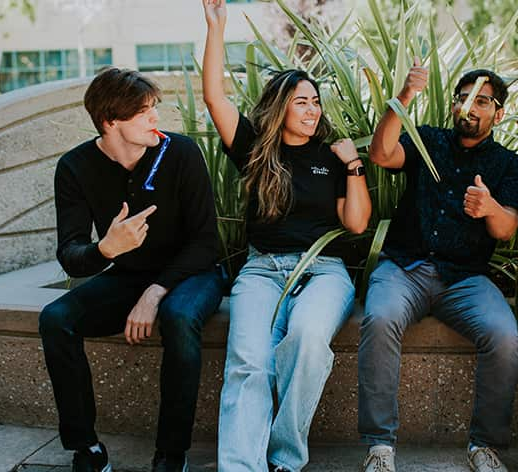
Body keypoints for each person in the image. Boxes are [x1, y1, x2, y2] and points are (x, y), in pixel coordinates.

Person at [201, 1, 372, 470]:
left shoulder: (330, 156)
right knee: (249, 363)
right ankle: (240, 466)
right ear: (280, 107)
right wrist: (217, 27)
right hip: (261, 270)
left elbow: (356, 224)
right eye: (302, 101)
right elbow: (215, 97)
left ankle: (284, 458)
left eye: (316, 101)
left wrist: (352, 163)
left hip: (323, 271)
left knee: (308, 340)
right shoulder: (255, 150)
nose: (313, 109)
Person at [38, 67, 225, 472]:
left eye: (153, 108)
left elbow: (207, 241)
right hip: (127, 276)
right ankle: (86, 448)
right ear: (110, 122)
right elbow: (70, 253)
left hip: (193, 273)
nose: (155, 118)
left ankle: (171, 455)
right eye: (142, 112)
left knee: (177, 317)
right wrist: (106, 249)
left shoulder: (180, 152)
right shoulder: (74, 167)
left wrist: (155, 291)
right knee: (56, 319)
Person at [358, 61, 518, 472]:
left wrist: (488, 208)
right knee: (379, 319)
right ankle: (380, 448)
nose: (468, 106)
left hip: (465, 279)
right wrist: (404, 97)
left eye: (481, 100)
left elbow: (507, 228)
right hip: (404, 268)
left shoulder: (508, 164)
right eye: (462, 97)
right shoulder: (428, 140)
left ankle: (484, 446)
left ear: (498, 113)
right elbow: (381, 154)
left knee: (504, 337)